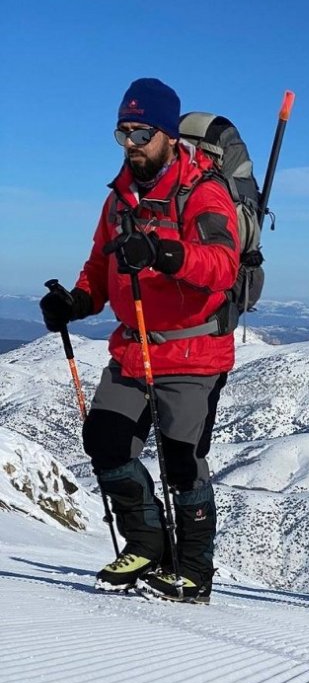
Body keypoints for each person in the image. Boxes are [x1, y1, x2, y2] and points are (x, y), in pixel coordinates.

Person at [39, 78, 240, 603]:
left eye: (142, 132)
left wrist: (165, 254)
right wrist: (75, 302)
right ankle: (148, 543)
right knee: (105, 444)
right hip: (134, 347)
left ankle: (193, 571)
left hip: (194, 350)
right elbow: (100, 269)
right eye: (123, 132)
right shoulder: (118, 199)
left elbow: (222, 265)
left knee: (182, 462)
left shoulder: (204, 191)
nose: (131, 143)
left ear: (169, 134)